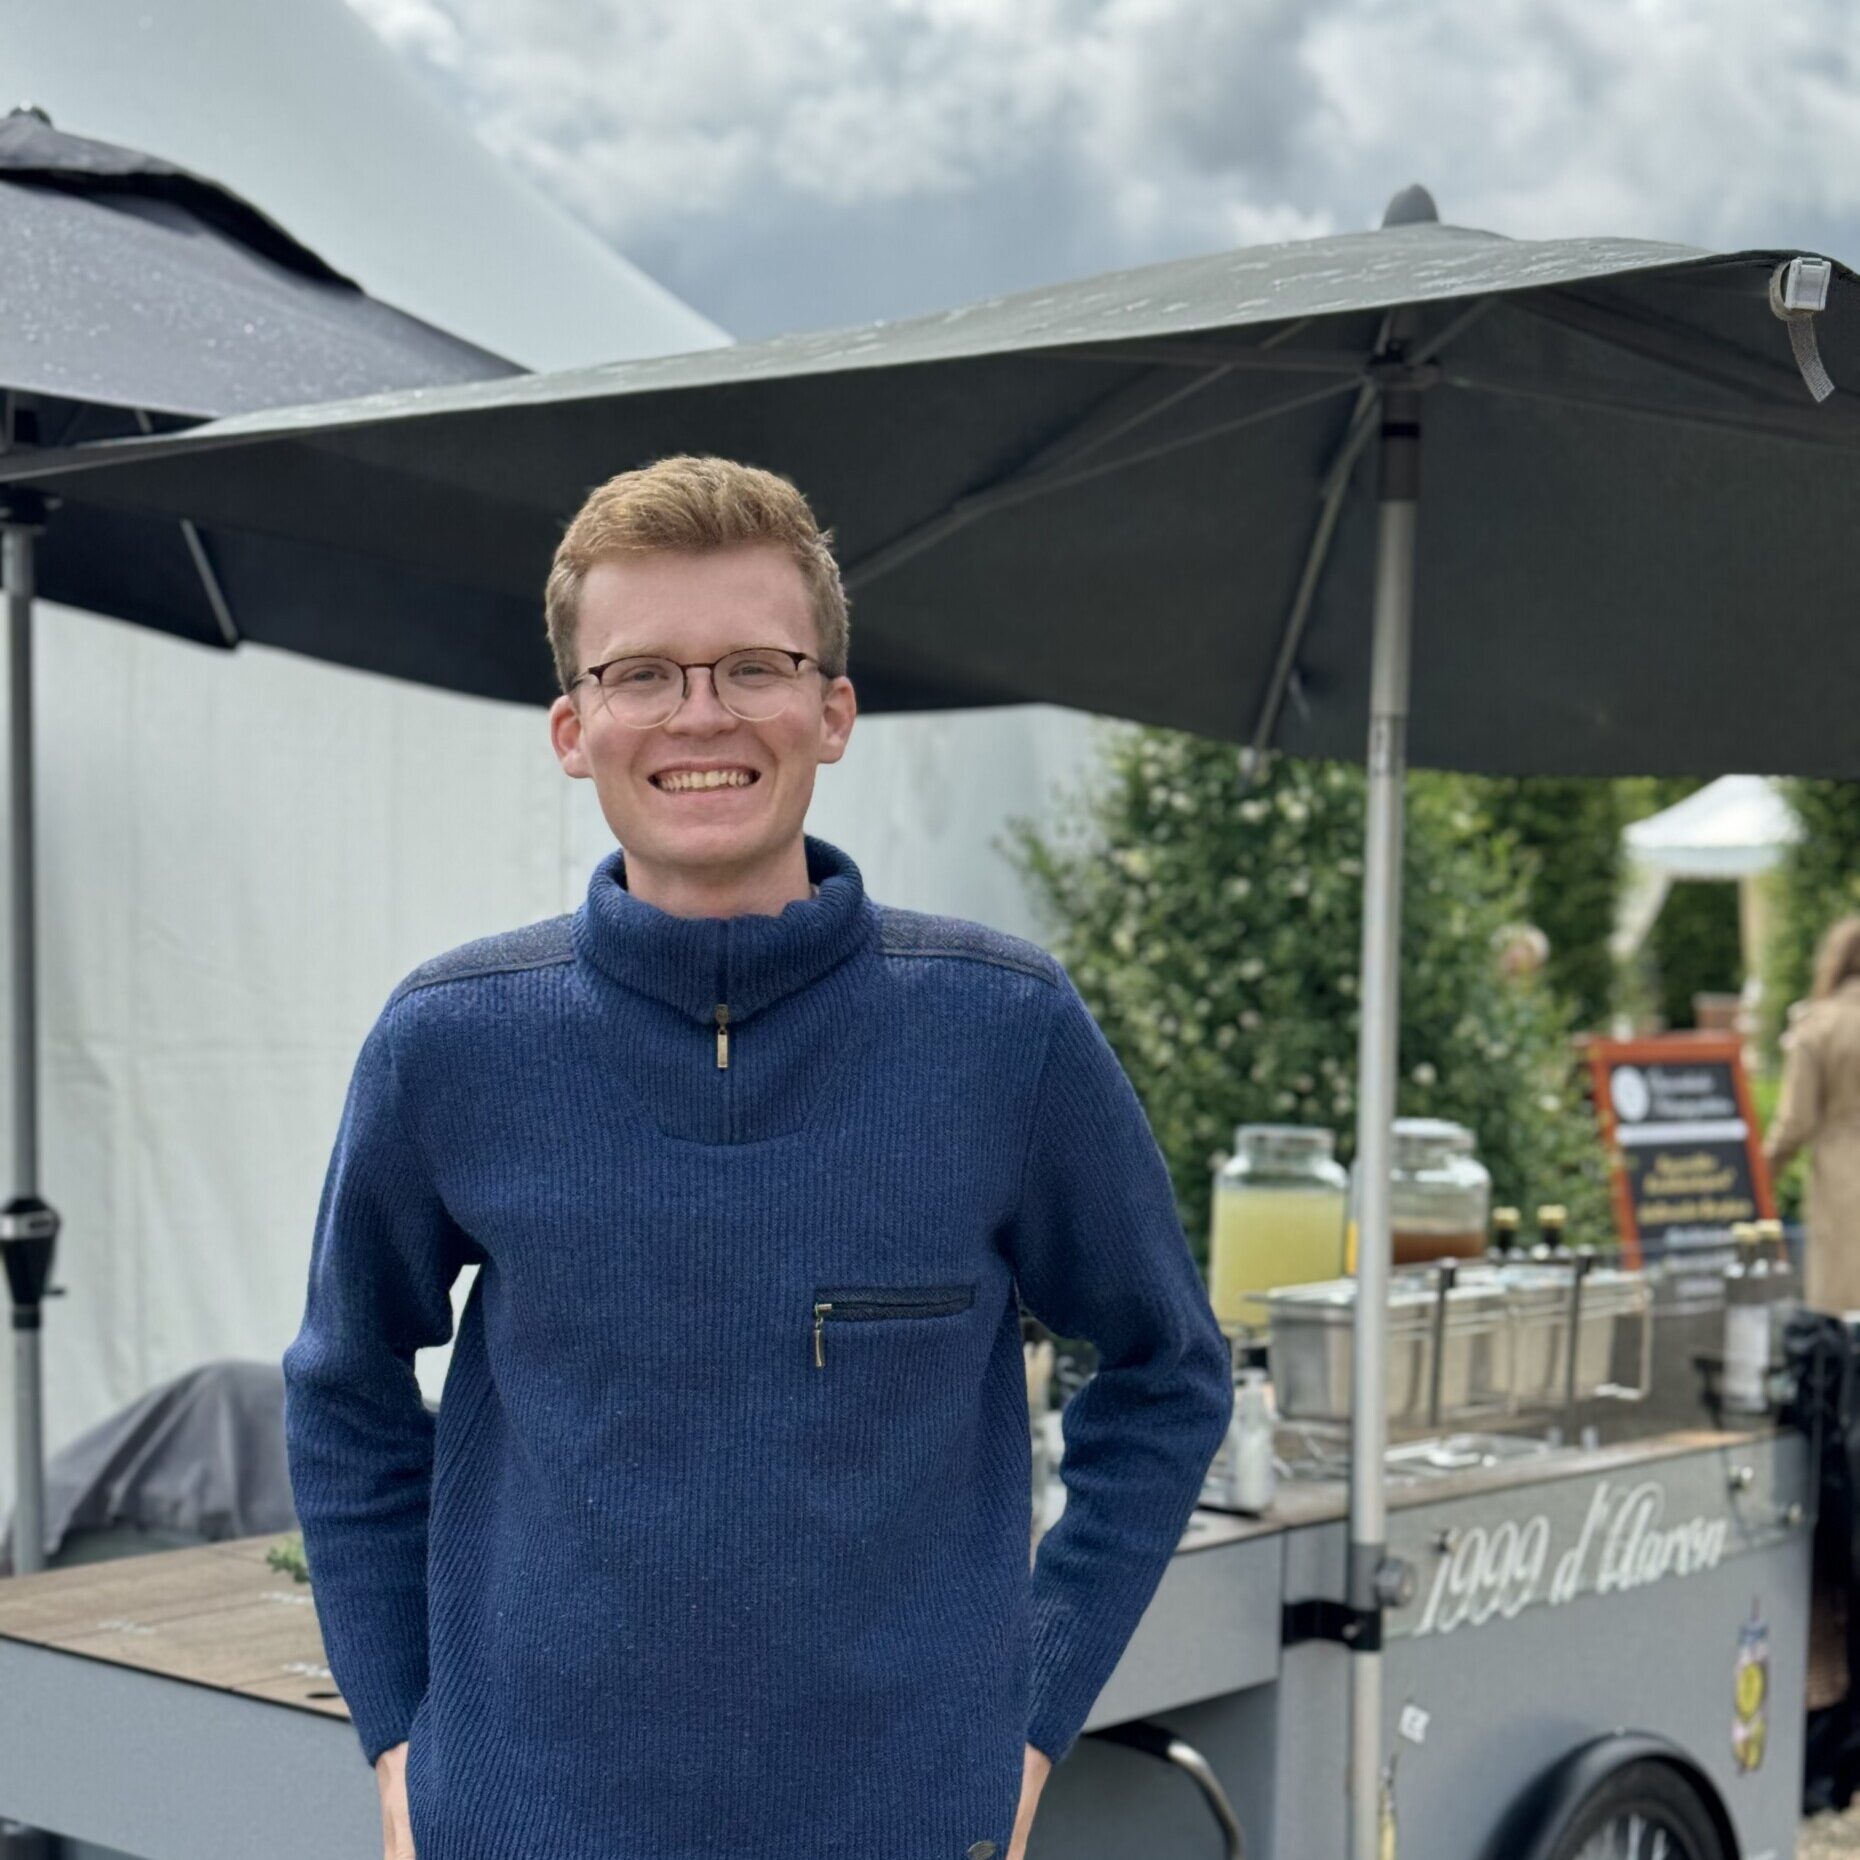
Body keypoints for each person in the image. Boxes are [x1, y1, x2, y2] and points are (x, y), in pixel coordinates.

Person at [280, 455, 1234, 1860]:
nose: (700, 715)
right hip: (527, 1826)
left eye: (753, 667)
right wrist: (401, 1738)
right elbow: (343, 1385)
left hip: (901, 1829)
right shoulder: (453, 1043)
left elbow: (1169, 1372)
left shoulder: (1003, 1033)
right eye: (642, 675)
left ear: (833, 711)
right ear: (573, 727)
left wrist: (1026, 1720)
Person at [1764, 913, 1860, 1313]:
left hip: (1844, 1177)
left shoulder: (1820, 1026)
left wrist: (1759, 1178)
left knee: (1842, 1309)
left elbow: (1795, 1123)